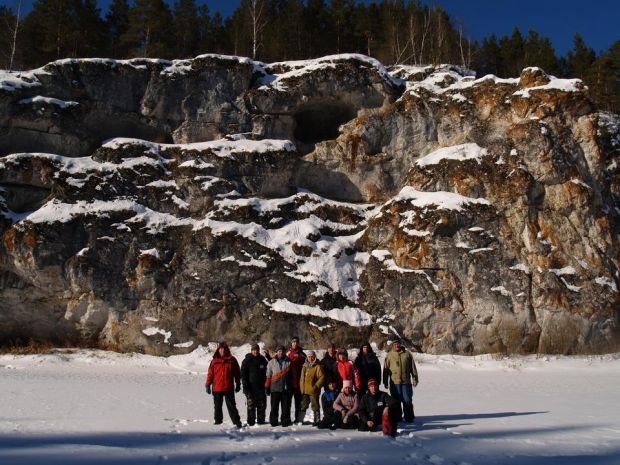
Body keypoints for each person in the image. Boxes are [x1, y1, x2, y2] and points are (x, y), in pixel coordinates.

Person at [205, 341, 242, 428]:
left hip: (228, 387)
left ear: (226, 350)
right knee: (217, 407)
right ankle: (218, 422)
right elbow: (210, 374)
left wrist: (238, 384)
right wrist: (207, 384)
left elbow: (237, 373)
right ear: (218, 350)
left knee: (232, 406)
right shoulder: (214, 361)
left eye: (224, 349)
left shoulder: (232, 360)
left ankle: (237, 422)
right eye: (221, 349)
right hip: (217, 388)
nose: (222, 351)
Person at [383, 339, 419, 423]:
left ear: (400, 344)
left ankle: (409, 417)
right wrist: (385, 381)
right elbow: (386, 370)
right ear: (392, 345)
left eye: (398, 344)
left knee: (407, 400)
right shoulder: (389, 355)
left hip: (406, 382)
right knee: (396, 401)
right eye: (395, 344)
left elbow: (413, 367)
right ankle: (397, 417)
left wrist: (415, 378)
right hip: (394, 382)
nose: (396, 345)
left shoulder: (407, 354)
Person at [265, 345, 293, 427]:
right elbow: (268, 376)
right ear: (276, 352)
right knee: (274, 407)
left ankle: (285, 421)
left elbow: (292, 375)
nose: (280, 352)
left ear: (284, 352)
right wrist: (267, 386)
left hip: (286, 388)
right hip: (275, 388)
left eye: (282, 351)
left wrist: (292, 386)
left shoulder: (289, 361)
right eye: (279, 351)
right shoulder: (271, 362)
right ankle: (273, 421)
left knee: (285, 407)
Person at [241, 343, 268, 426]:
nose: (255, 351)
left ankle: (261, 422)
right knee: (251, 407)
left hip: (261, 388)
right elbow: (243, 375)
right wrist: (245, 388)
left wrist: (267, 386)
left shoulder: (263, 360)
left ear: (259, 350)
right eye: (253, 350)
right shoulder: (246, 361)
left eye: (256, 350)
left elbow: (268, 372)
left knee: (262, 406)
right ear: (251, 351)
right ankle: (251, 422)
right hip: (250, 388)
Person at [299, 350, 325, 425]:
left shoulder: (318, 366)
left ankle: (316, 420)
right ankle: (300, 420)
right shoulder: (304, 366)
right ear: (307, 357)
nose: (310, 358)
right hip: (305, 390)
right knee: (303, 405)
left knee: (315, 406)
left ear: (314, 357)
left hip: (313, 390)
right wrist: (302, 388)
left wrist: (316, 386)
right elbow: (301, 379)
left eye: (312, 357)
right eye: (309, 356)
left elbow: (322, 377)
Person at [287, 336, 306, 423]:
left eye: (296, 342)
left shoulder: (302, 354)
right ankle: (287, 419)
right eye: (293, 342)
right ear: (291, 343)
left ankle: (298, 419)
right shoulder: (287, 353)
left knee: (298, 402)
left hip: (299, 382)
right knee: (288, 402)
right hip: (290, 382)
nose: (295, 343)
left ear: (298, 343)